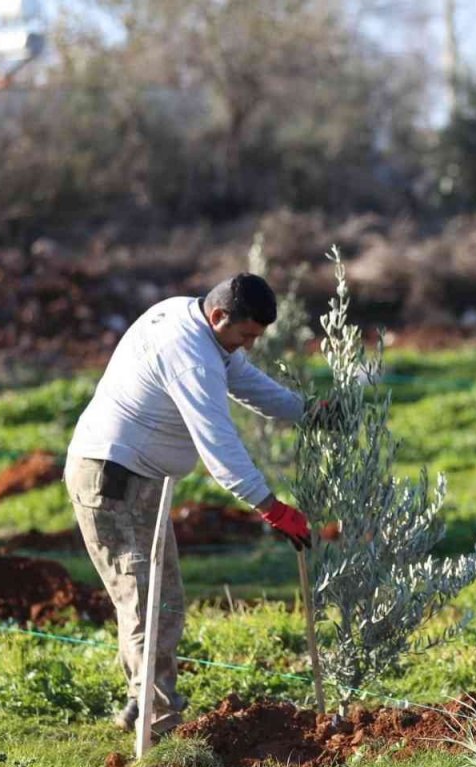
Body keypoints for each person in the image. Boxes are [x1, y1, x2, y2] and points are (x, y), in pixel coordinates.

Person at [64, 273, 329, 735]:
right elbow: (217, 441)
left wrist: (305, 412)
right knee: (150, 600)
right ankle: (159, 721)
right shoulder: (188, 352)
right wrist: (270, 507)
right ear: (219, 315)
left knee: (153, 598)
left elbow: (244, 381)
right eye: (244, 335)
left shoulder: (198, 326)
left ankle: (141, 704)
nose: (246, 346)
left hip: (134, 479)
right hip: (112, 482)